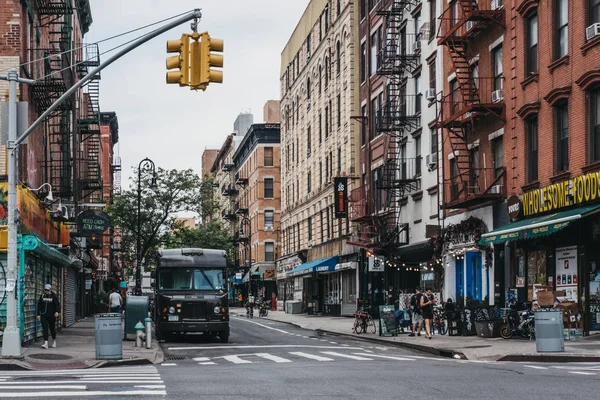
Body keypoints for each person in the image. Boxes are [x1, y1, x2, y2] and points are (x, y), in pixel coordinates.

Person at [37, 283, 60, 349]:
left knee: (52, 328)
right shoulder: (42, 296)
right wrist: (38, 314)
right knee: (45, 328)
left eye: (47, 290)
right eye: (45, 290)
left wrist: (57, 312)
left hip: (52, 315)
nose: (46, 291)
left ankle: (54, 340)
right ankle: (46, 343)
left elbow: (57, 304)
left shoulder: (54, 296)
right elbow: (39, 305)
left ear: (50, 290)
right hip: (43, 314)